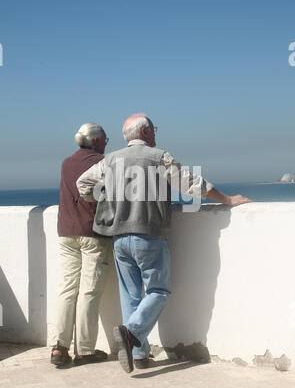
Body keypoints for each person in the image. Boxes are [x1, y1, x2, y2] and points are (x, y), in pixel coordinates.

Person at [76, 114, 251, 373]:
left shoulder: (110, 159)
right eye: (153, 129)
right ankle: (131, 332)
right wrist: (227, 200)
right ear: (146, 132)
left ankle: (139, 354)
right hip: (148, 234)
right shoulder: (159, 157)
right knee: (159, 290)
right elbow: (192, 185)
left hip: (119, 238)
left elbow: (82, 185)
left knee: (130, 295)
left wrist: (105, 195)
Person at [51, 122, 111, 367]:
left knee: (67, 289)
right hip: (92, 232)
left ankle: (59, 347)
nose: (107, 141)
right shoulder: (104, 162)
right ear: (95, 141)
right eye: (105, 138)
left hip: (66, 231)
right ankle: (84, 350)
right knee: (88, 291)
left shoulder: (66, 163)